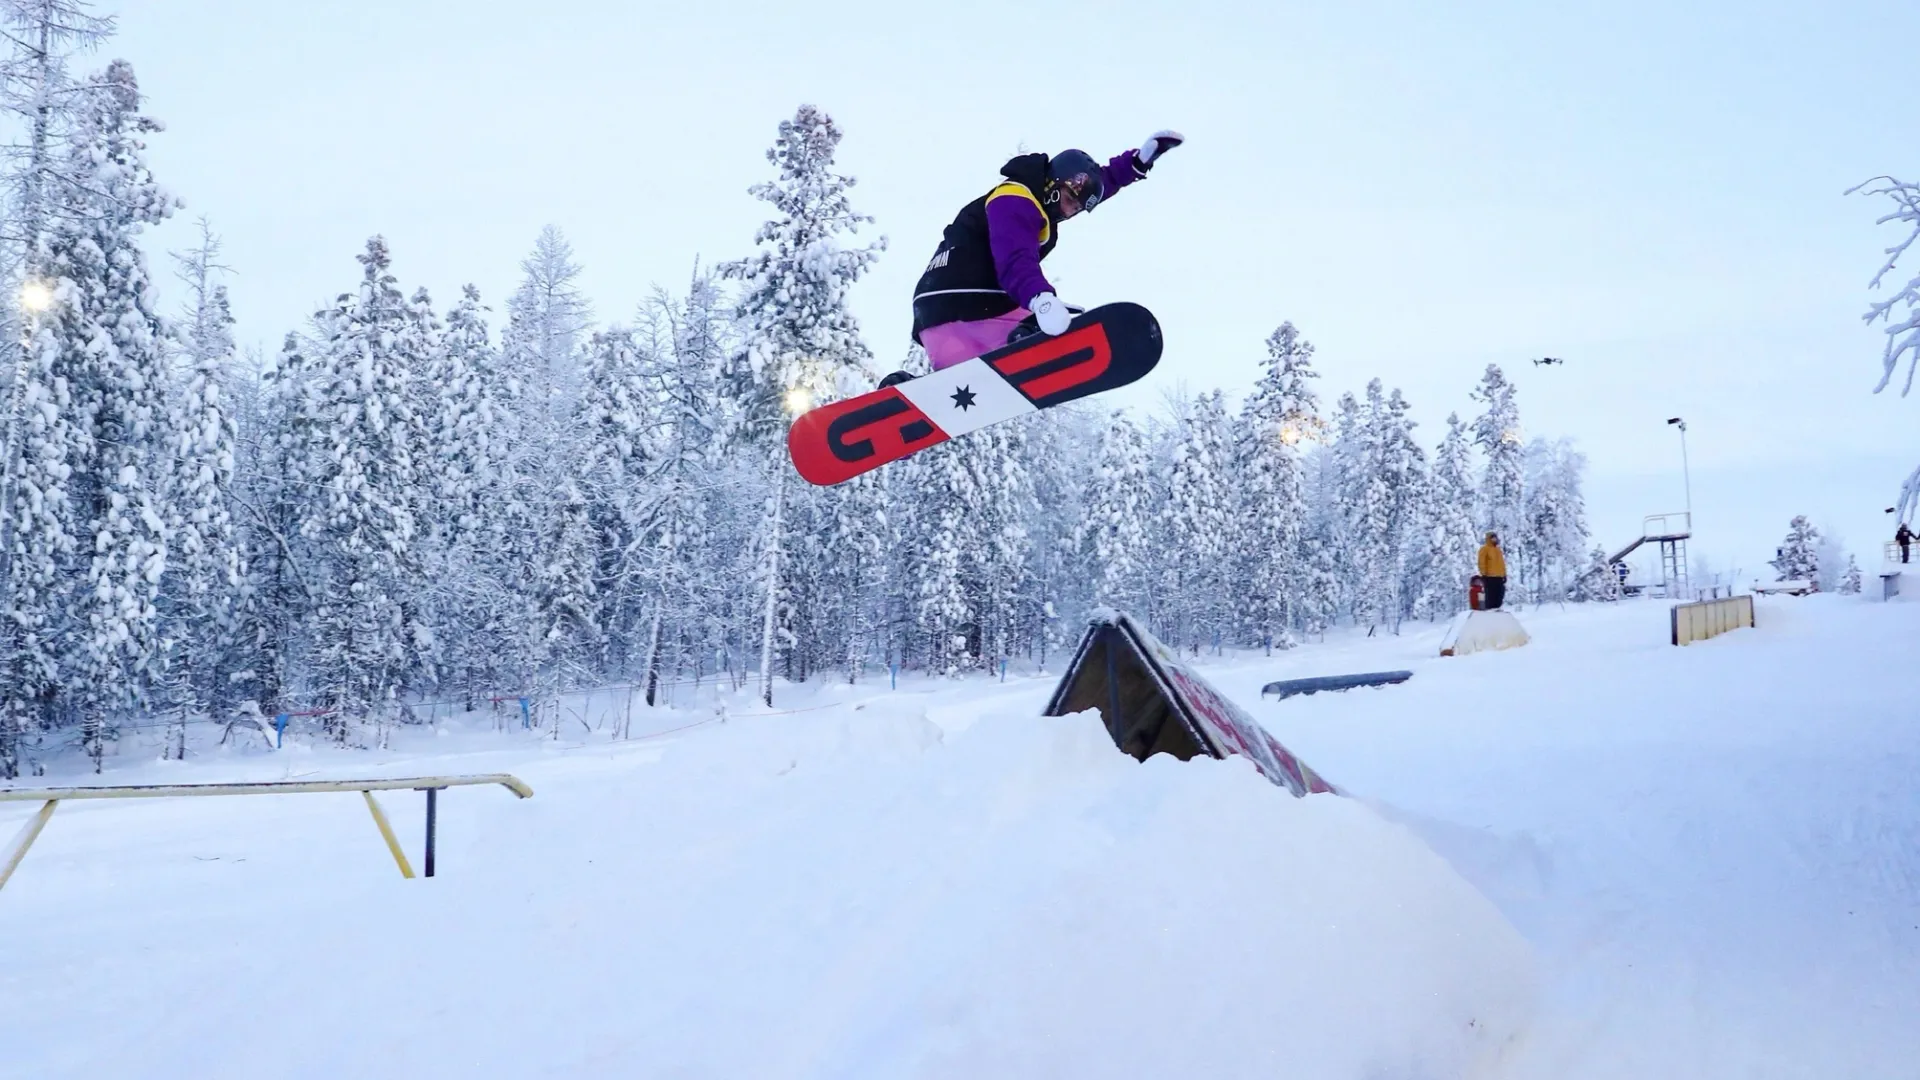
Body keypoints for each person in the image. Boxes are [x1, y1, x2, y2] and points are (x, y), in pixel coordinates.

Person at [884, 131, 1185, 386]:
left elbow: (1097, 184)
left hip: (939, 314)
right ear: (1053, 185)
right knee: (1059, 328)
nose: (1070, 212)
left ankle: (902, 394)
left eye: (1078, 209)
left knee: (959, 384)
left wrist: (1135, 165)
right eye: (1069, 202)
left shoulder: (1040, 198)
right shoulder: (1015, 200)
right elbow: (1015, 261)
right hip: (969, 299)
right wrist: (1041, 300)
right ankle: (1025, 342)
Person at [1477, 532, 1508, 610]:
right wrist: (1483, 574)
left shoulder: (1498, 550)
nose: (1494, 539)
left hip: (1499, 577)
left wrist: (1504, 574)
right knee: (1491, 597)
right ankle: (1489, 612)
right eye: (1492, 538)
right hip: (1489, 577)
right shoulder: (1484, 549)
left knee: (1500, 595)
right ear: (1488, 539)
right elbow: (1481, 562)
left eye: (1495, 538)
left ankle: (1497, 610)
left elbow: (1502, 563)